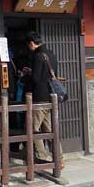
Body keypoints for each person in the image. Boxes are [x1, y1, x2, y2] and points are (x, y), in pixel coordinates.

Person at [25, 31, 64, 166]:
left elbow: (36, 78)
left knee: (31, 127)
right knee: (49, 129)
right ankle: (59, 158)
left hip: (40, 97)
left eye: (28, 45)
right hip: (51, 96)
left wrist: (28, 73)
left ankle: (43, 157)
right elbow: (50, 75)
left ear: (31, 43)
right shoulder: (51, 54)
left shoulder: (37, 56)